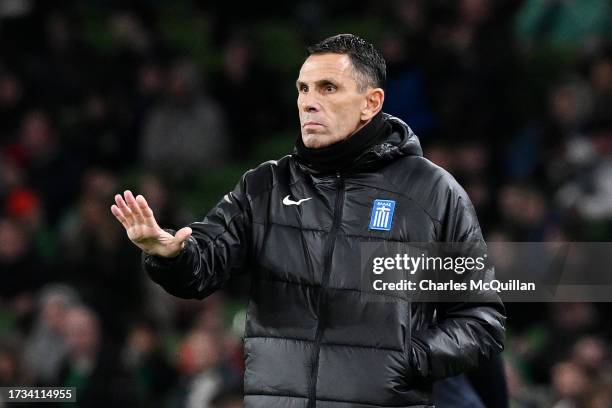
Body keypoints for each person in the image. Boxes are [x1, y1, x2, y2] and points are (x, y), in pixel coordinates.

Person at [111, 34, 506, 408]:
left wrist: (407, 359)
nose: (309, 102)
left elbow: (480, 320)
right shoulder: (264, 187)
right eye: (303, 89)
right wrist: (170, 255)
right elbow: (201, 268)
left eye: (327, 88)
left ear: (371, 103)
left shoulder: (432, 192)